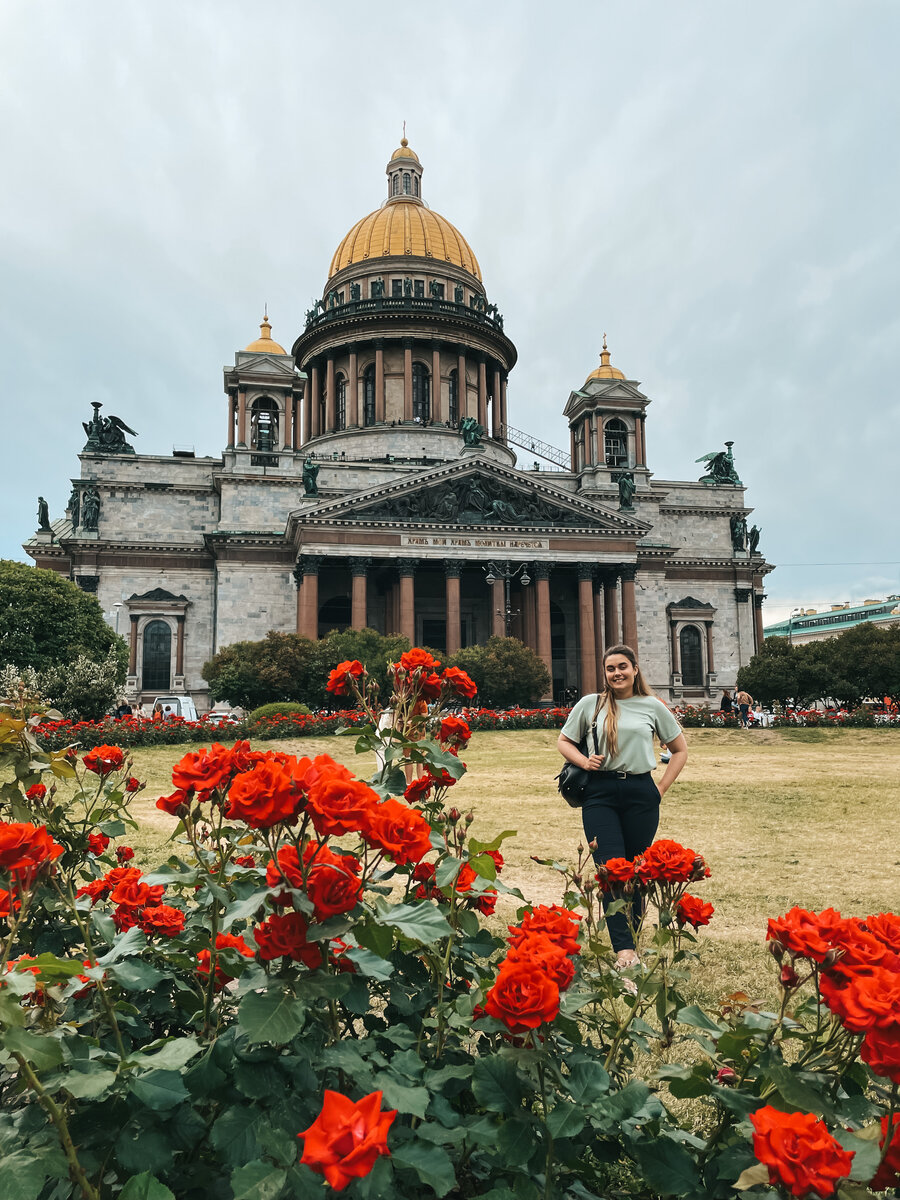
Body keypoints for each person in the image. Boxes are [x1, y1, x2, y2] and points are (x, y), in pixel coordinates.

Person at [557, 644, 688, 970]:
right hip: (599, 793)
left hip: (641, 792)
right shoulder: (591, 704)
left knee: (638, 872)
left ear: (634, 669)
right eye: (610, 668)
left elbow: (680, 750)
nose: (617, 673)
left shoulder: (652, 706)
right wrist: (585, 762)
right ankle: (624, 953)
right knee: (612, 870)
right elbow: (563, 741)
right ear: (605, 673)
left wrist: (660, 789)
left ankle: (630, 935)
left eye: (622, 667)